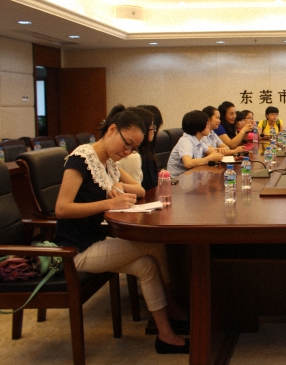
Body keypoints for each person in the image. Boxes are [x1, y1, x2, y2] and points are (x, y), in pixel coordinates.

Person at [54, 108, 189, 354]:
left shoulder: (109, 162)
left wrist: (117, 186)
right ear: (112, 130)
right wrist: (109, 203)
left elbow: (139, 189)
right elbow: (62, 208)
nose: (127, 152)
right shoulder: (80, 159)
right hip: (75, 250)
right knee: (154, 245)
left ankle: (165, 335)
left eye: (133, 148)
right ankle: (172, 306)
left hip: (96, 240)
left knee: (147, 266)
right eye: (127, 144)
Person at [167, 110, 223, 177]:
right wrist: (209, 158)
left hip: (190, 178)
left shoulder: (198, 140)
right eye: (207, 123)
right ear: (199, 126)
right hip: (177, 180)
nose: (209, 125)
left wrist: (214, 155)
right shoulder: (186, 141)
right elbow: (188, 163)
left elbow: (213, 152)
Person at [119, 105, 162, 190]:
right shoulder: (134, 155)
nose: (154, 130)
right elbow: (142, 190)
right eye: (152, 127)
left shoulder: (147, 152)